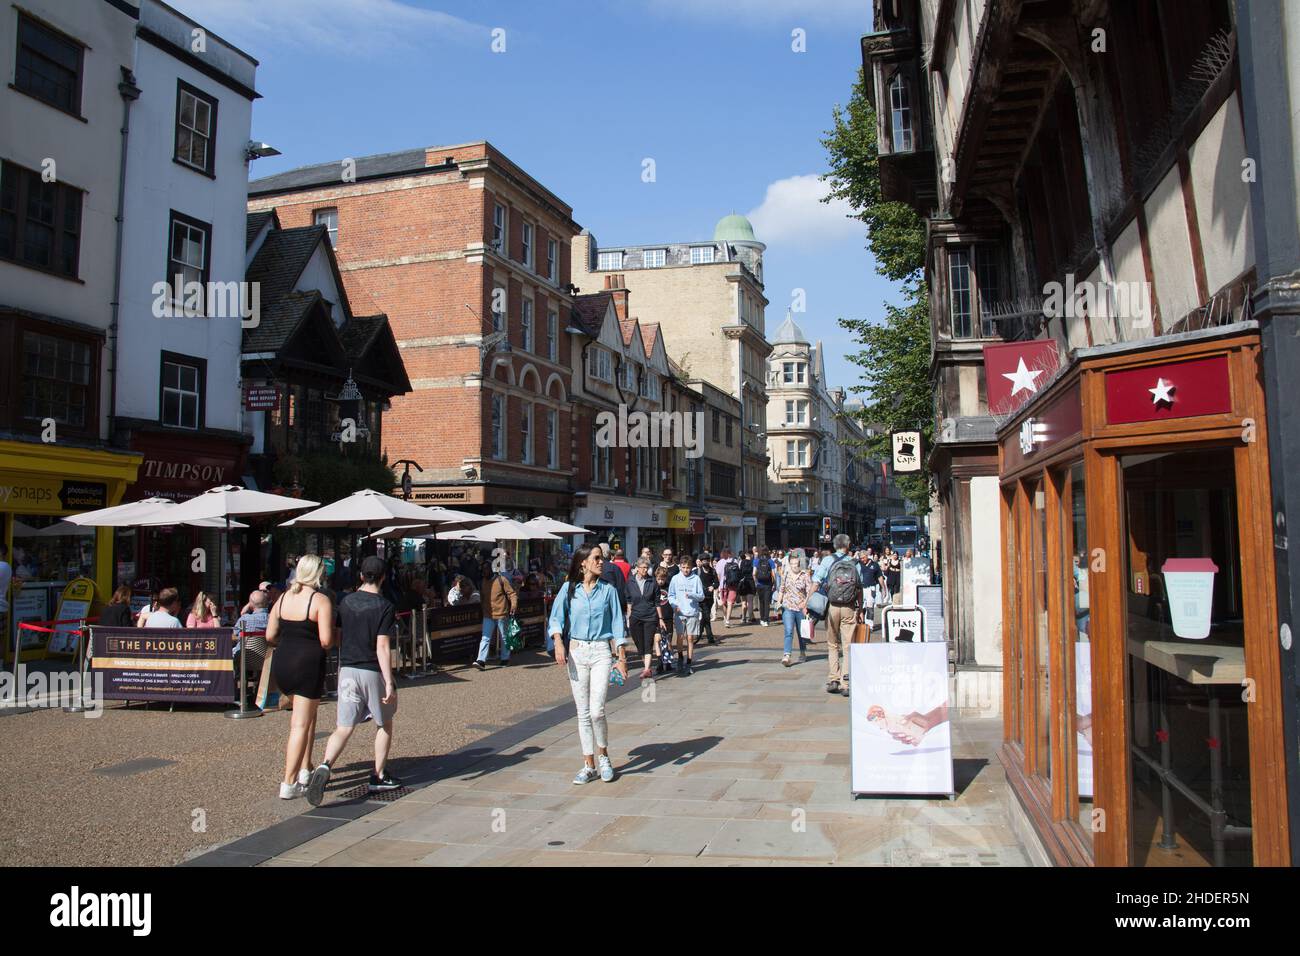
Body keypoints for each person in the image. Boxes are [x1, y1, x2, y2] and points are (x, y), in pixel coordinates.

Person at [306, 556, 401, 804]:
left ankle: (325, 765)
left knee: (344, 726)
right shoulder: (385, 606)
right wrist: (389, 680)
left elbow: (337, 635)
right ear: (383, 577)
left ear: (361, 575)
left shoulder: (345, 602)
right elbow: (382, 646)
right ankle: (378, 775)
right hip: (371, 670)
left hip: (347, 668)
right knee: (384, 722)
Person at [548, 546, 628, 784]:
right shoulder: (569, 589)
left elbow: (617, 625)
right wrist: (559, 642)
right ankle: (588, 764)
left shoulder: (609, 590)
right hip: (577, 651)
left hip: (602, 650)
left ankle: (603, 756)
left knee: (597, 710)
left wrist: (621, 658)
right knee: (582, 713)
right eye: (596, 558)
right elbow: (555, 619)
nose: (601, 562)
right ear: (583, 563)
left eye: (601, 558)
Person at [268, 555, 335, 800]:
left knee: (308, 716)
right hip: (307, 663)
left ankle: (305, 767)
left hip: (284, 660)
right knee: (299, 724)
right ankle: (289, 782)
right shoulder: (320, 600)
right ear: (318, 573)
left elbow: (270, 634)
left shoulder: (283, 598)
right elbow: (326, 640)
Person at [814, 534, 863, 697]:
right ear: (848, 546)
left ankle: (834, 678)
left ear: (835, 545)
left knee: (832, 643)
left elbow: (816, 580)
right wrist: (860, 608)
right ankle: (846, 682)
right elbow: (859, 588)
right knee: (848, 644)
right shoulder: (854, 562)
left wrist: (806, 601)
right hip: (849, 606)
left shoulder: (827, 560)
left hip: (832, 606)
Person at [475, 561, 518, 669]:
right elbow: (483, 598)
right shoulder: (482, 582)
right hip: (488, 615)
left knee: (504, 637)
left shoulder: (501, 580)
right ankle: (481, 660)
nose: (483, 572)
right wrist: (482, 611)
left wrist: (513, 605)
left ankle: (505, 658)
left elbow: (512, 594)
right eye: (482, 570)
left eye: (486, 569)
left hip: (502, 614)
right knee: (485, 638)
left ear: (491, 569)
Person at [624, 556, 662, 680]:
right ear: (637, 568)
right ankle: (646, 665)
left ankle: (646, 669)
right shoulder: (630, 582)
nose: (646, 570)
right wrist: (628, 616)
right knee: (638, 642)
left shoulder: (653, 582)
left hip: (650, 616)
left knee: (648, 642)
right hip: (635, 616)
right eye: (643, 568)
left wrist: (660, 619)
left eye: (647, 567)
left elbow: (657, 602)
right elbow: (628, 600)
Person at [667, 553, 704, 677]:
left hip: (692, 612)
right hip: (680, 612)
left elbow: (701, 596)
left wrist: (693, 595)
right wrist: (674, 605)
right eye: (683, 567)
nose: (685, 570)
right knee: (680, 637)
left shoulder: (696, 579)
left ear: (691, 567)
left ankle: (689, 662)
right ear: (680, 567)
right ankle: (680, 658)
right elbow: (670, 595)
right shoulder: (675, 578)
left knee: (690, 638)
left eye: (688, 567)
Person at [778, 552, 816, 666]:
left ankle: (803, 651)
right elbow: (782, 589)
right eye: (792, 563)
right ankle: (787, 655)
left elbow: (809, 592)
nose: (794, 566)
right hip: (788, 606)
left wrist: (805, 604)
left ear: (799, 564)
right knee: (788, 630)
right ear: (789, 564)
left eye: (796, 563)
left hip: (800, 607)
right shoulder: (785, 574)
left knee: (801, 632)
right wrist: (779, 602)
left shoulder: (805, 575)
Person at [653, 566, 675, 674]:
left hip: (668, 616)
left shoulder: (669, 587)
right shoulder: (653, 587)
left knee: (668, 640)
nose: (661, 581)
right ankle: (660, 663)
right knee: (657, 640)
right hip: (656, 617)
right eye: (659, 579)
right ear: (656, 578)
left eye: (663, 579)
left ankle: (669, 662)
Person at [696, 553, 718, 645]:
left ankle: (699, 634)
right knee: (706, 617)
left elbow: (717, 582)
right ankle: (710, 637)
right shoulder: (697, 572)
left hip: (710, 598)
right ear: (701, 562)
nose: (705, 562)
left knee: (705, 618)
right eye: (704, 561)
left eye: (707, 560)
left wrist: (713, 586)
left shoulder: (713, 571)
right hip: (701, 598)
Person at [752, 546, 775, 626]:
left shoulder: (756, 561)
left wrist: (756, 582)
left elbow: (754, 573)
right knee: (767, 603)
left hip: (759, 584)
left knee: (761, 602)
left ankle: (762, 619)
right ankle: (766, 620)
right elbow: (773, 574)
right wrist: (774, 584)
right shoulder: (770, 561)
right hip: (768, 584)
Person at [717, 547, 740, 627]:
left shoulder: (720, 562)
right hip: (733, 584)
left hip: (723, 585)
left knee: (724, 603)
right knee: (730, 603)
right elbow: (738, 573)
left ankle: (725, 616)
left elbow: (718, 576)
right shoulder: (735, 561)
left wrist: (720, 584)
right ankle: (727, 620)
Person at [735, 548, 756, 624]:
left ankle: (743, 618)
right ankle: (750, 618)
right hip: (750, 582)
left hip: (743, 583)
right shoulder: (753, 562)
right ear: (750, 555)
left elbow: (739, 572)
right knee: (750, 602)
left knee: (743, 602)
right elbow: (754, 573)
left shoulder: (741, 562)